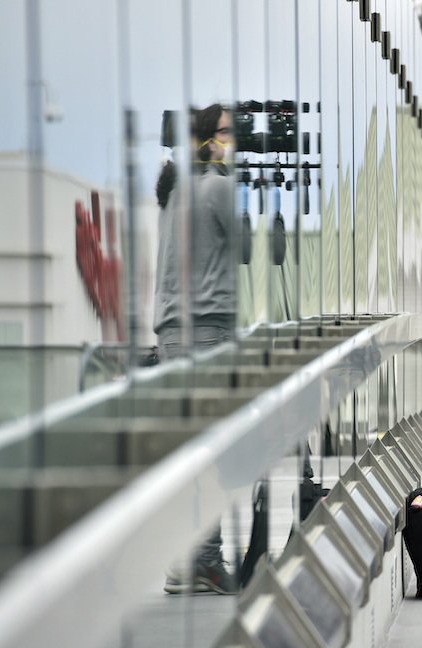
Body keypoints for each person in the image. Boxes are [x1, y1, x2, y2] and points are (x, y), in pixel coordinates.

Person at [154, 104, 239, 595]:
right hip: (208, 333)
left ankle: (183, 558)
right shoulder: (216, 186)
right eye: (228, 133)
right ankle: (204, 561)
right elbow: (247, 247)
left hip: (171, 335)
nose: (234, 140)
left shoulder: (172, 190)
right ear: (208, 140)